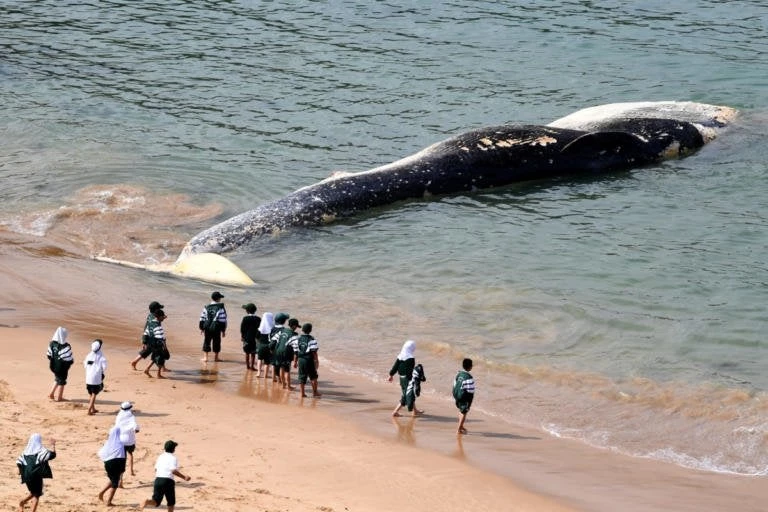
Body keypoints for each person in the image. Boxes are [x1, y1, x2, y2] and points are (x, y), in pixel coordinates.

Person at [141, 440, 191, 512]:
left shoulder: (160, 456)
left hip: (158, 480)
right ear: (173, 449)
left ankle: (147, 501)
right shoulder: (173, 458)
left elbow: (156, 469)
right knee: (171, 502)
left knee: (156, 502)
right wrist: (184, 477)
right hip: (168, 481)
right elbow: (173, 470)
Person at [16, 433, 56, 512]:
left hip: (27, 476)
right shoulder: (41, 452)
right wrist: (53, 445)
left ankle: (22, 502)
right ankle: (23, 503)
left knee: (34, 492)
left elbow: (18, 462)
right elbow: (52, 455)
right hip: (36, 475)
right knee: (37, 495)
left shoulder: (24, 453)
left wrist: (19, 470)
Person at [387, 340, 423, 417]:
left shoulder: (400, 356)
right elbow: (411, 370)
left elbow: (395, 367)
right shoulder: (411, 358)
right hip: (408, 379)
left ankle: (415, 411)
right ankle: (395, 412)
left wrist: (391, 375)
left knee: (410, 394)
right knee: (407, 396)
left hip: (401, 378)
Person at [97, 425, 126, 506]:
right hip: (116, 464)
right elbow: (122, 457)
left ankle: (101, 493)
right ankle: (109, 502)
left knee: (113, 479)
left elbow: (101, 453)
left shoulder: (107, 443)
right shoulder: (120, 444)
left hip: (107, 464)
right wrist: (123, 469)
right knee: (115, 484)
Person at [131, 301, 164, 370]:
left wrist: (144, 340)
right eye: (159, 309)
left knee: (147, 350)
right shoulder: (155, 318)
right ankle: (162, 367)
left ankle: (135, 361)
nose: (160, 310)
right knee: (160, 352)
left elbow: (146, 327)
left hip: (149, 336)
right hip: (154, 338)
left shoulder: (150, 315)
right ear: (156, 310)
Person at [293, 322, 321, 398]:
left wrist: (295, 361)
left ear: (302, 330)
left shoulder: (298, 339)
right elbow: (314, 352)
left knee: (302, 376)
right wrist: (317, 361)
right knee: (313, 376)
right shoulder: (312, 339)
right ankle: (315, 392)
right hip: (309, 360)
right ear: (310, 330)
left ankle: (302, 393)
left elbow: (296, 351)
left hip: (301, 360)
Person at [46, 326, 74, 402]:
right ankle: (59, 397)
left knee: (57, 379)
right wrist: (69, 363)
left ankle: (51, 394)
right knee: (62, 381)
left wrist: (54, 361)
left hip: (53, 366)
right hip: (62, 367)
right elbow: (69, 358)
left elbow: (48, 355)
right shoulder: (65, 346)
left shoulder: (51, 344)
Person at [115, 401, 140, 483]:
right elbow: (136, 428)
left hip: (120, 441)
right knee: (130, 454)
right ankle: (131, 470)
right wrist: (135, 431)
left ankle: (120, 481)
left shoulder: (118, 416)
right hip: (129, 440)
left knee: (122, 460)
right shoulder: (131, 416)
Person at [199, 291, 227, 363]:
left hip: (207, 327)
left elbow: (202, 318)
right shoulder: (221, 308)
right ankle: (216, 358)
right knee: (217, 342)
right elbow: (223, 320)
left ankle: (205, 358)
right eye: (220, 298)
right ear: (218, 299)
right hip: (216, 328)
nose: (220, 299)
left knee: (207, 341)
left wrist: (201, 328)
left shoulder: (206, 307)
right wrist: (223, 331)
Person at [272, 317, 299, 390]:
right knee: (287, 371)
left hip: (278, 352)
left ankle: (283, 385)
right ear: (293, 326)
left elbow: (273, 340)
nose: (296, 328)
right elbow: (296, 349)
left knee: (281, 368)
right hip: (286, 353)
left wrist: (272, 350)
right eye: (296, 326)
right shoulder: (294, 335)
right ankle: (289, 386)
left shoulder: (281, 331)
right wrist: (296, 361)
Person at [143, 308, 169, 379]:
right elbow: (161, 338)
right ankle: (158, 374)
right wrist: (165, 347)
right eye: (162, 317)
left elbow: (146, 333)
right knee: (161, 358)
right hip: (158, 344)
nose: (163, 318)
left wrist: (145, 343)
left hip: (150, 342)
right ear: (159, 317)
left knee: (155, 357)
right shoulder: (158, 326)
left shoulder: (151, 322)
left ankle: (147, 369)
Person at [84, 339, 108, 415]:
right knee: (94, 393)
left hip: (88, 377)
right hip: (96, 378)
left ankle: (93, 408)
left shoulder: (88, 355)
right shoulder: (101, 356)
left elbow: (85, 365)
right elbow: (104, 367)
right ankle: (89, 410)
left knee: (90, 393)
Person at [453, 358, 475, 435]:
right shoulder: (469, 378)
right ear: (470, 367)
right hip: (464, 396)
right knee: (464, 412)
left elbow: (454, 383)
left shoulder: (459, 374)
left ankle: (461, 426)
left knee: (461, 410)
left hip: (457, 394)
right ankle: (458, 429)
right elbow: (471, 390)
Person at [268, 312, 290, 383]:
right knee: (279, 366)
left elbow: (269, 339)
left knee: (273, 364)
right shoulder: (284, 330)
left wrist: (270, 348)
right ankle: (279, 379)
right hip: (279, 350)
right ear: (284, 321)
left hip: (272, 349)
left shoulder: (272, 329)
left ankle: (273, 378)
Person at [240, 303, 261, 370]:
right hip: (255, 338)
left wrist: (242, 336)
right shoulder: (258, 319)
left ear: (247, 311)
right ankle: (252, 366)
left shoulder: (245, 318)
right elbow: (259, 329)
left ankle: (247, 366)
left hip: (246, 338)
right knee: (253, 353)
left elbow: (242, 329)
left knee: (247, 352)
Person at [255, 312, 274, 378]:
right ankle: (265, 375)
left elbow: (256, 337)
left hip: (261, 346)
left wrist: (258, 345)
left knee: (259, 359)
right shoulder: (272, 329)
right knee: (267, 362)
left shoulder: (260, 329)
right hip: (269, 346)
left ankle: (258, 372)